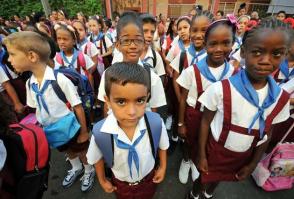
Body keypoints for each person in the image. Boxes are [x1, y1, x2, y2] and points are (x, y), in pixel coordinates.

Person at [187, 18, 290, 199]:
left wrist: (252, 164)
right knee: (205, 176)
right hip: (215, 150)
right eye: (257, 52)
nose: (266, 61)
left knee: (220, 179)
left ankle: (209, 193)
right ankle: (194, 194)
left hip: (244, 154)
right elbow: (205, 122)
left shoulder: (281, 98)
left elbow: (268, 133)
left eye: (276, 54)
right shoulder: (221, 89)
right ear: (243, 52)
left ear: (285, 55)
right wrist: (201, 154)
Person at [3, 31, 95, 192]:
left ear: (32, 56)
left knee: (80, 149)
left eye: (12, 54)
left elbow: (78, 106)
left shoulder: (60, 80)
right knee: (66, 149)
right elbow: (36, 108)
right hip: (52, 129)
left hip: (71, 126)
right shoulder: (30, 83)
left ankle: (89, 170)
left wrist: (84, 132)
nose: (9, 59)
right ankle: (76, 168)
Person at [87, 62, 169, 199]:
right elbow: (97, 157)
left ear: (147, 97)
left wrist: (163, 166)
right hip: (120, 183)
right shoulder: (101, 132)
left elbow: (163, 146)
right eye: (121, 102)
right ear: (107, 101)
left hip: (148, 179)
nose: (132, 112)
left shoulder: (155, 122)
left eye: (140, 100)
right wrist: (102, 179)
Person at [177, 16, 236, 185]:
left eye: (226, 43)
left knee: (208, 143)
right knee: (189, 140)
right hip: (194, 113)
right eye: (213, 44)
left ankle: (197, 161)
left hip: (217, 117)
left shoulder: (232, 72)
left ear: (233, 44)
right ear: (205, 44)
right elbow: (182, 98)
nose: (219, 49)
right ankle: (187, 160)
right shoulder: (192, 71)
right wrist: (180, 123)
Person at [98, 12, 166, 116]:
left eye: (138, 40)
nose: (133, 46)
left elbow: (153, 111)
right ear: (117, 45)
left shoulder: (152, 77)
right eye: (126, 41)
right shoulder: (108, 75)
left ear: (143, 43)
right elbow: (107, 107)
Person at [53, 23, 95, 90]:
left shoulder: (83, 57)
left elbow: (89, 75)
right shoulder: (56, 59)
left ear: (74, 41)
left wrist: (91, 92)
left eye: (65, 39)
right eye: (59, 39)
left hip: (83, 92)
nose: (62, 42)